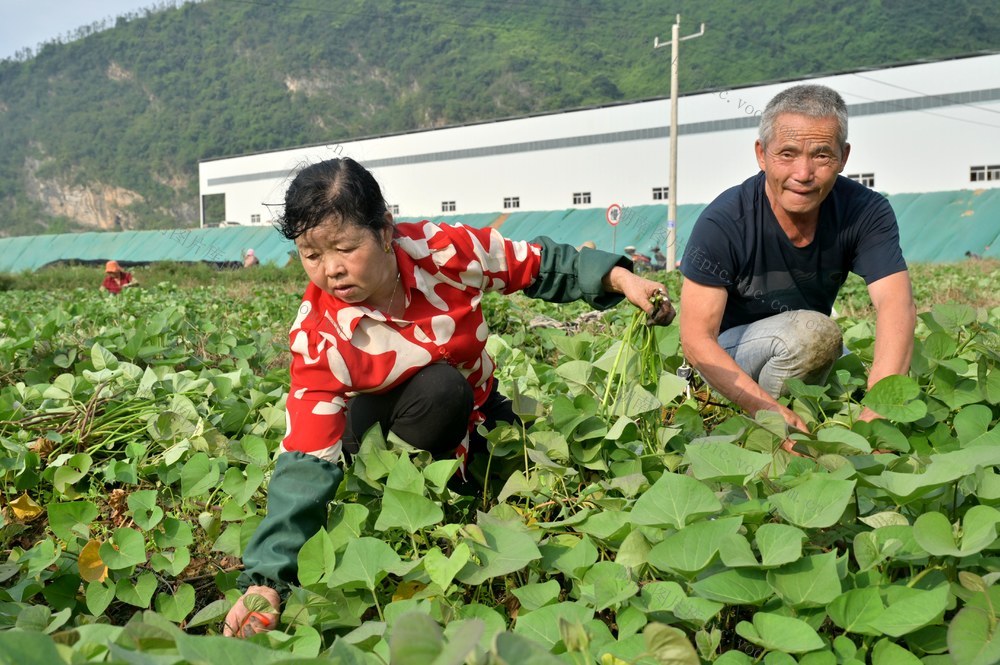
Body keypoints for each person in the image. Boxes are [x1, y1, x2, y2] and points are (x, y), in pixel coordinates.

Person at [223, 157, 675, 638]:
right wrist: (266, 579)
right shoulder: (319, 333)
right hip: (380, 435)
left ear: (385, 231)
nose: (331, 269)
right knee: (441, 388)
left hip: (475, 409)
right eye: (311, 255)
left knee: (529, 470)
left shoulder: (443, 252)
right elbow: (306, 458)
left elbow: (535, 264)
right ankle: (415, 493)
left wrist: (623, 279)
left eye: (345, 248)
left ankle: (461, 475)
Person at [678, 84, 915, 448]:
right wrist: (767, 410)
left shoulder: (865, 211)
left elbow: (896, 304)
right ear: (762, 154)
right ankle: (771, 435)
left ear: (844, 157)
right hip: (729, 355)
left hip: (798, 341)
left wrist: (878, 409)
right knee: (812, 336)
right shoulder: (725, 221)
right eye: (787, 154)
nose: (803, 173)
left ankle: (806, 427)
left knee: (853, 378)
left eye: (822, 155)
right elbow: (696, 339)